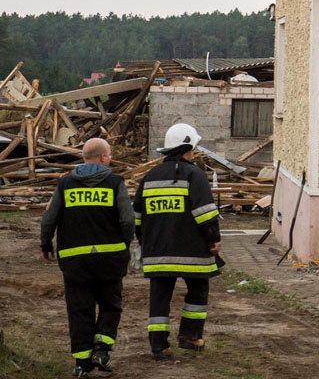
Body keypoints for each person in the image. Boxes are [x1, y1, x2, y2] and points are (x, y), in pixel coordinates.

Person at [40, 137, 134, 377]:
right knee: (110, 305)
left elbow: (50, 218)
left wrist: (45, 244)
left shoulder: (65, 185)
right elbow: (127, 219)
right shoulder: (115, 183)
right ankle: (101, 351)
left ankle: (82, 363)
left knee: (79, 310)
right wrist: (124, 244)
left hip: (75, 261)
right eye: (110, 155)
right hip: (109, 259)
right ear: (103, 157)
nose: (110, 159)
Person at [133, 123, 222, 361]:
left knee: (159, 298)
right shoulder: (196, 175)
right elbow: (204, 214)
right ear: (187, 147)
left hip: (157, 253)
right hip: (192, 252)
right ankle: (190, 337)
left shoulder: (149, 178)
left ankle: (159, 347)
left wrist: (146, 244)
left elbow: (138, 219)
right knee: (198, 289)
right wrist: (214, 239)